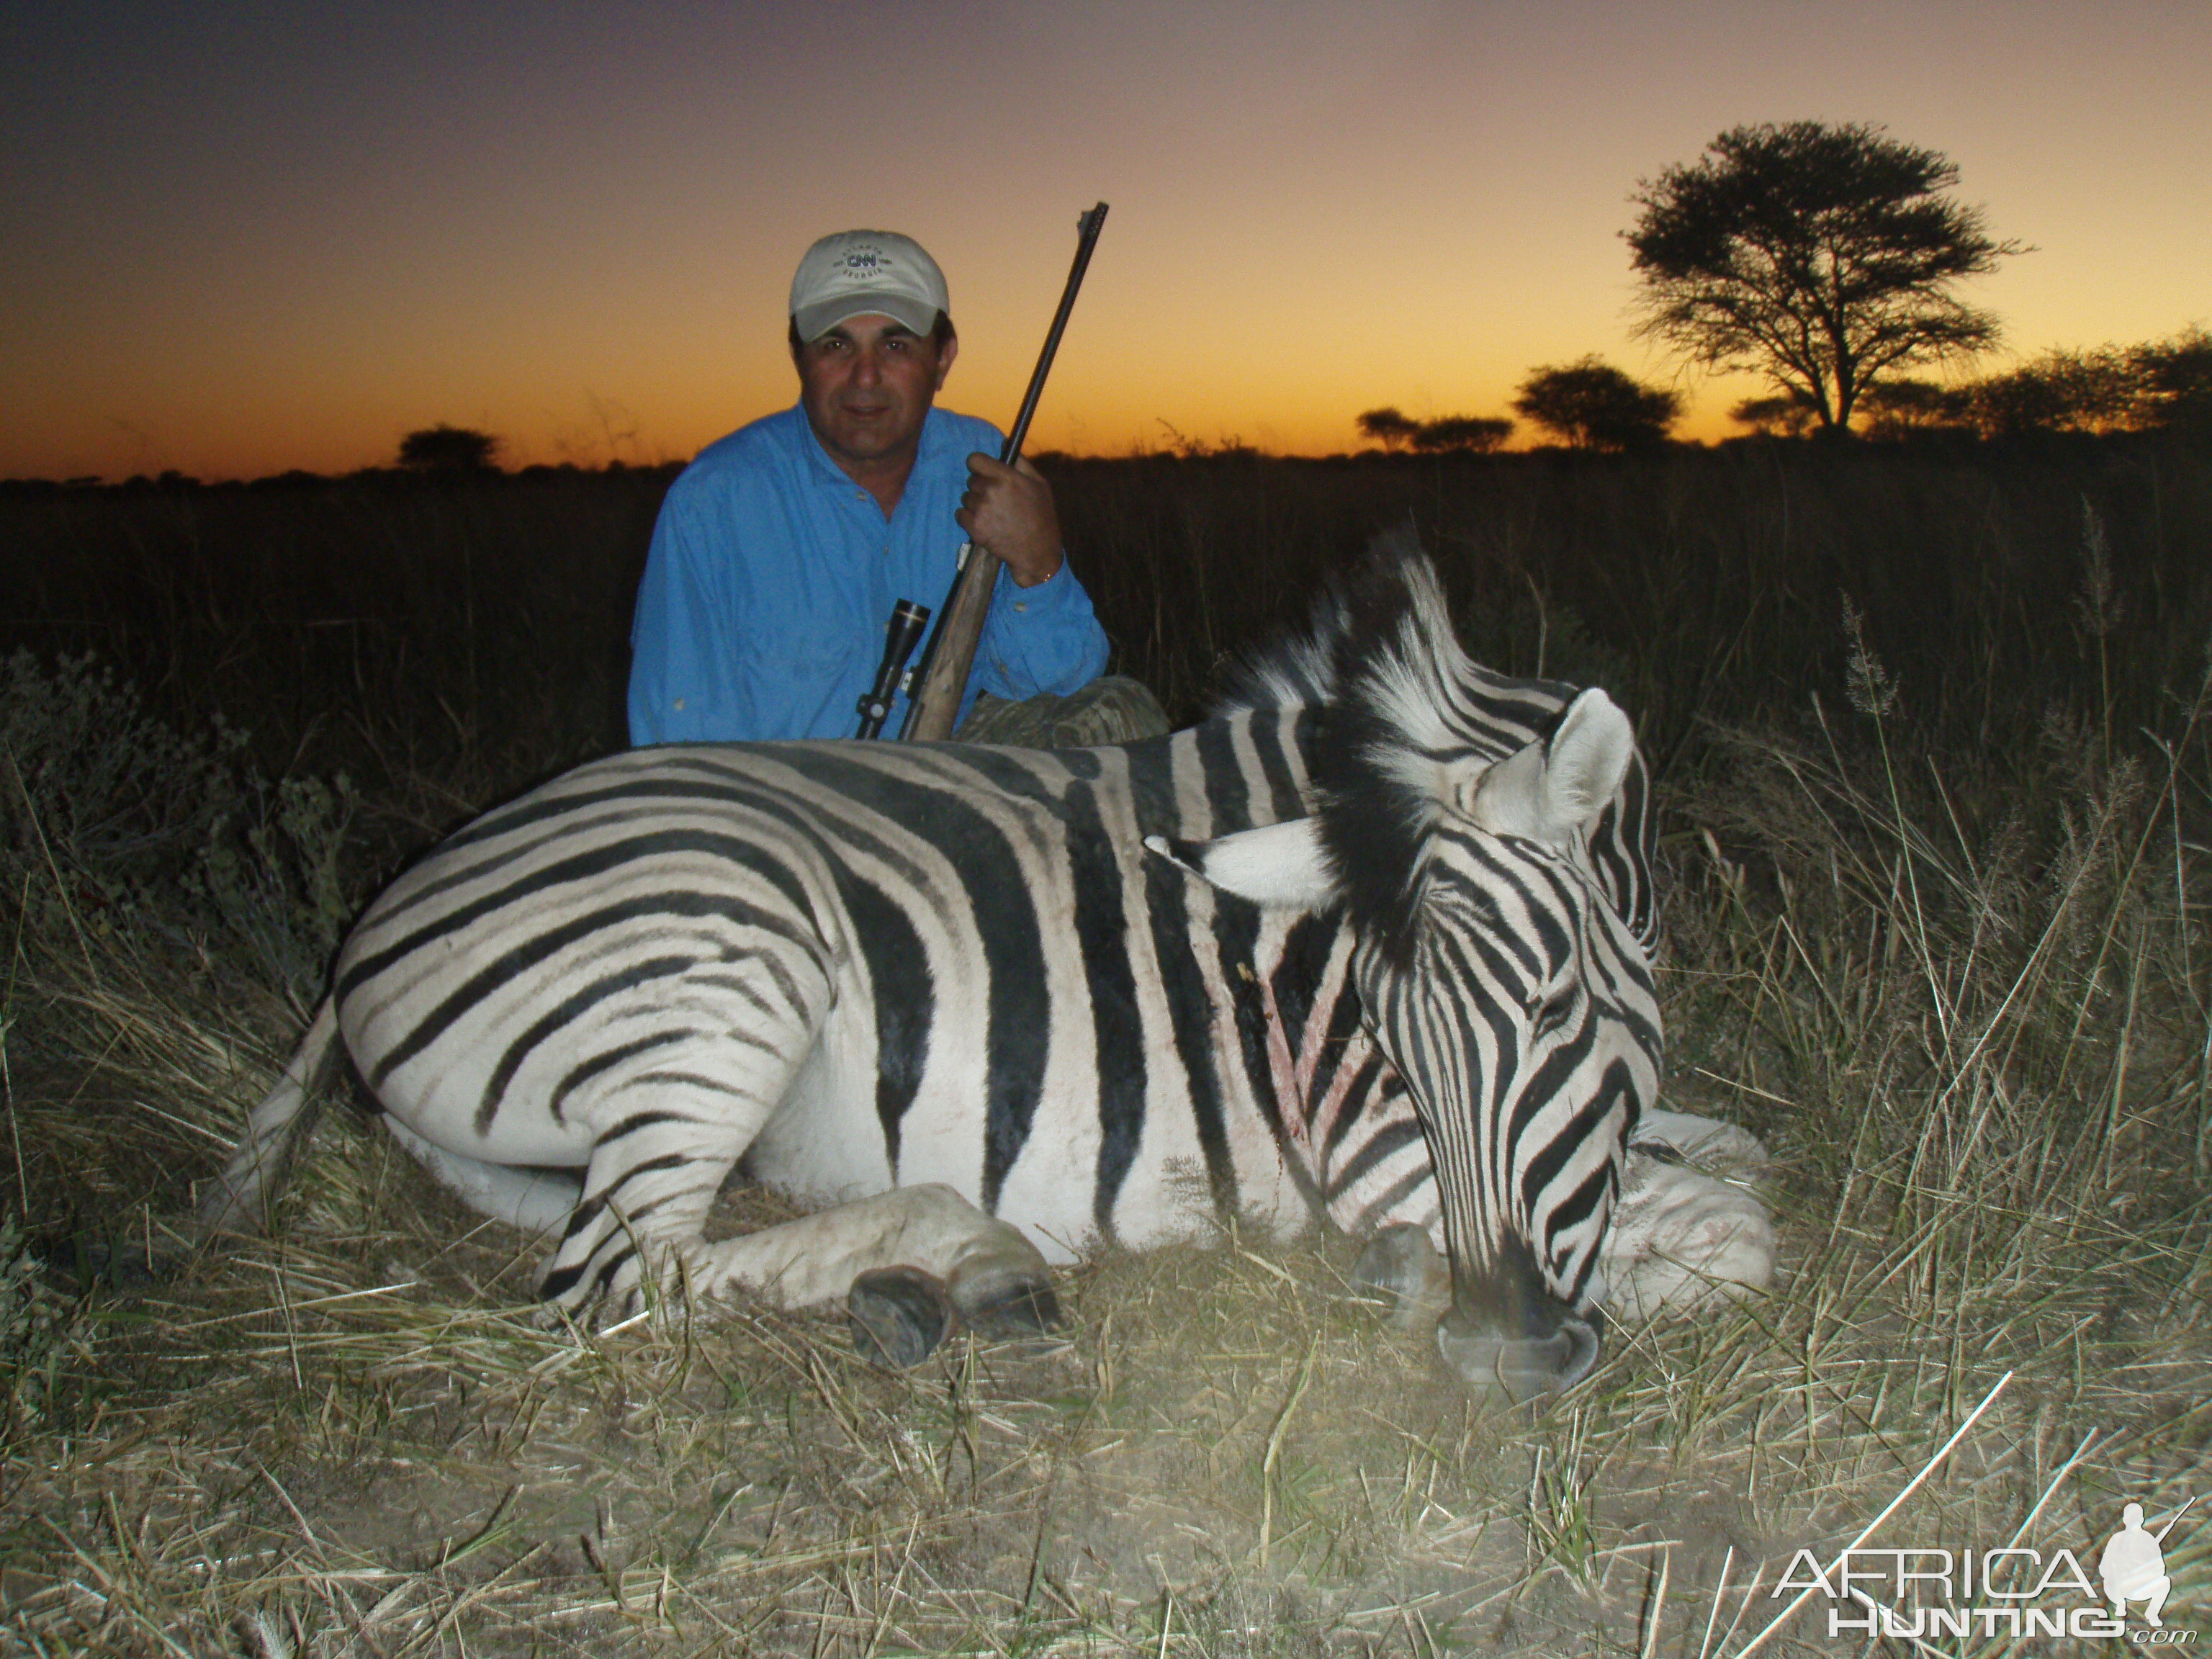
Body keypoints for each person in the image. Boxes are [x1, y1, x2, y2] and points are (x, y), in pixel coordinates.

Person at [628, 229, 1163, 747]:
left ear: (943, 358)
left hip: (945, 773)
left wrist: (1039, 563)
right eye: (836, 344)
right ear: (799, 358)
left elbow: (1055, 679)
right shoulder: (714, 499)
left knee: (1118, 712)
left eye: (896, 345)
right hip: (785, 809)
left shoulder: (986, 463)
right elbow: (677, 741)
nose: (865, 376)